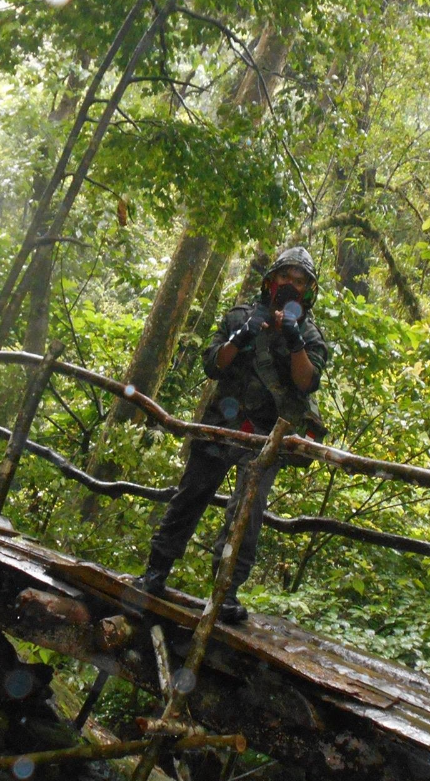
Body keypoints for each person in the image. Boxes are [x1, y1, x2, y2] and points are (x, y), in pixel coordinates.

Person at [135, 247, 329, 624]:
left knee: (246, 515)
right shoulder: (240, 315)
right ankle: (155, 573)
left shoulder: (309, 335)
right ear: (271, 281)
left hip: (263, 439)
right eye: (285, 276)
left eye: (299, 280)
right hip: (218, 428)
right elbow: (213, 365)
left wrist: (293, 340)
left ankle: (224, 593)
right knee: (187, 499)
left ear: (307, 291)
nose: (290, 284)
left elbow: (307, 382)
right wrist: (244, 333)